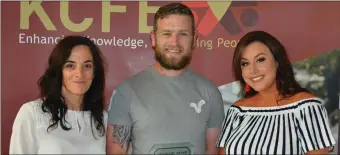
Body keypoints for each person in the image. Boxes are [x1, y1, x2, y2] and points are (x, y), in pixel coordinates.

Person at [106, 3, 225, 155]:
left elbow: (213, 151)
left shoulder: (210, 93)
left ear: (194, 39)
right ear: (153, 38)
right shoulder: (127, 92)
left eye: (183, 34)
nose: (174, 42)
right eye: (167, 33)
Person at [216, 30, 336, 154]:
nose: (253, 70)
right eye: (245, 63)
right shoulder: (237, 111)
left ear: (277, 62)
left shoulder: (307, 107)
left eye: (260, 60)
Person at [9, 36, 108, 154]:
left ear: (94, 73)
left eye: (87, 66)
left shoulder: (104, 118)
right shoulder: (32, 113)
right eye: (70, 66)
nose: (79, 74)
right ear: (58, 70)